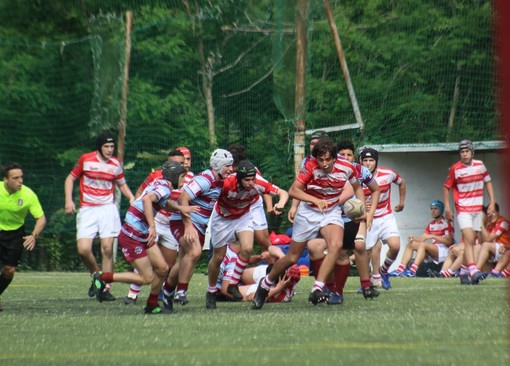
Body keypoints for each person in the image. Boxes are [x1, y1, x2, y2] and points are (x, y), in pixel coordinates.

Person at [253, 136, 364, 309]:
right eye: (321, 159)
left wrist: (361, 207)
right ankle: (265, 284)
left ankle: (317, 288)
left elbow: (357, 188)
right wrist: (314, 200)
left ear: (335, 158)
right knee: (292, 257)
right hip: (308, 212)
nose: (325, 163)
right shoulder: (310, 166)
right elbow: (293, 190)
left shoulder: (348, 167)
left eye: (328, 159)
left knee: (336, 245)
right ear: (316, 158)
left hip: (331, 211)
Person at [91, 161, 197, 314]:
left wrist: (180, 208)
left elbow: (162, 202)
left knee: (162, 269)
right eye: (182, 177)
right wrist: (152, 225)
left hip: (140, 233)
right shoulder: (163, 187)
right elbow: (147, 200)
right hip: (132, 235)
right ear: (174, 176)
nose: (183, 180)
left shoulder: (161, 184)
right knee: (146, 278)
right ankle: (102, 277)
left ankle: (151, 304)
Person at [206, 160, 289, 309]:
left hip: (243, 216)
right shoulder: (226, 184)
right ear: (238, 178)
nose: (251, 183)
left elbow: (283, 192)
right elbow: (207, 195)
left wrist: (281, 202)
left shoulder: (258, 182)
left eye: (253, 179)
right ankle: (211, 291)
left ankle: (232, 285)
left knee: (247, 248)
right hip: (223, 219)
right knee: (218, 257)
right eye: (247, 180)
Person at [305, 140, 381, 304]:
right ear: (335, 157)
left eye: (349, 154)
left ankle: (353, 288)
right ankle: (327, 287)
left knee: (352, 249)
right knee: (317, 248)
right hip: (327, 217)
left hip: (351, 217)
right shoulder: (324, 169)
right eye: (342, 154)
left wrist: (369, 213)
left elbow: (375, 189)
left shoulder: (359, 171)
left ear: (355, 157)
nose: (346, 157)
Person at [64, 131, 135, 301]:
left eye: (112, 146)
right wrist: (69, 200)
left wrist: (131, 198)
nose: (110, 150)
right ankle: (97, 275)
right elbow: (70, 179)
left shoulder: (115, 164)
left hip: (107, 209)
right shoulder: (86, 160)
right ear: (99, 147)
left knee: (107, 249)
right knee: (83, 249)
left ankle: (105, 287)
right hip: (87, 209)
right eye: (106, 146)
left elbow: (122, 185)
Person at [166, 149, 234, 306]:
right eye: (227, 166)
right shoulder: (206, 179)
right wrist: (188, 226)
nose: (231, 169)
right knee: (195, 251)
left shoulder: (220, 181)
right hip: (182, 221)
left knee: (184, 259)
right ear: (218, 165)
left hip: (199, 225)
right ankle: (181, 291)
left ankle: (167, 290)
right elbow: (183, 199)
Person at [124, 149, 187, 304]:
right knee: (144, 262)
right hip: (154, 222)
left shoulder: (187, 179)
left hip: (170, 224)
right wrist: (144, 218)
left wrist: (182, 210)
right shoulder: (157, 178)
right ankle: (132, 294)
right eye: (176, 163)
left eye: (184, 161)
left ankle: (156, 297)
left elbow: (169, 203)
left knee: (167, 265)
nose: (181, 165)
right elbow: (144, 196)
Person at [443, 139, 496, 284]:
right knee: (469, 238)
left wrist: (491, 201)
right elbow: (446, 187)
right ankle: (473, 270)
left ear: (472, 152)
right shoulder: (455, 169)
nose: (464, 154)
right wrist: (447, 208)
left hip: (477, 209)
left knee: (472, 241)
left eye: (467, 151)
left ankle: (464, 271)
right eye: (462, 152)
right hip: (463, 209)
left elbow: (488, 181)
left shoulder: (480, 165)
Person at [0, 163, 46, 311]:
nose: (20, 181)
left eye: (21, 177)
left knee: (9, 270)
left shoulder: (28, 195)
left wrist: (33, 235)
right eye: (15, 178)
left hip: (15, 234)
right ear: (6, 180)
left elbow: (41, 218)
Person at [360, 147, 406, 290]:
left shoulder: (388, 174)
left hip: (385, 216)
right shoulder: (356, 177)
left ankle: (384, 271)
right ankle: (366, 282)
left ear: (376, 162)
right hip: (367, 218)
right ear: (361, 161)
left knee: (395, 246)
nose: (368, 163)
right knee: (365, 252)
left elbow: (401, 182)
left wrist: (401, 203)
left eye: (371, 160)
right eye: (365, 160)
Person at [216, 242, 300, 303]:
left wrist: (277, 289)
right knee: (239, 274)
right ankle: (230, 281)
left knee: (229, 289)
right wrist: (282, 258)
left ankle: (220, 291)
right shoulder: (232, 256)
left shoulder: (283, 294)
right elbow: (271, 248)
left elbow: (252, 297)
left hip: (271, 288)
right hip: (268, 274)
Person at [390, 200, 454, 277]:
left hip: (444, 250)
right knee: (411, 244)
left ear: (441, 210)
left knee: (423, 245)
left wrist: (433, 236)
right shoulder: (431, 224)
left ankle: (412, 271)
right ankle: (400, 270)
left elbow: (449, 241)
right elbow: (422, 239)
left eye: (435, 209)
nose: (433, 211)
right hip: (434, 249)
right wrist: (413, 238)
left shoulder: (446, 223)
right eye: (432, 209)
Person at [472, 203, 510, 283]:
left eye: (490, 209)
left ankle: (477, 270)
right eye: (487, 210)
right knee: (478, 247)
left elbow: (488, 239)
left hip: (504, 249)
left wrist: (481, 224)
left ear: (496, 212)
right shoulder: (490, 224)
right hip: (497, 252)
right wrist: (480, 226)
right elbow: (481, 241)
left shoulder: (503, 222)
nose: (488, 212)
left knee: (486, 246)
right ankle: (474, 273)